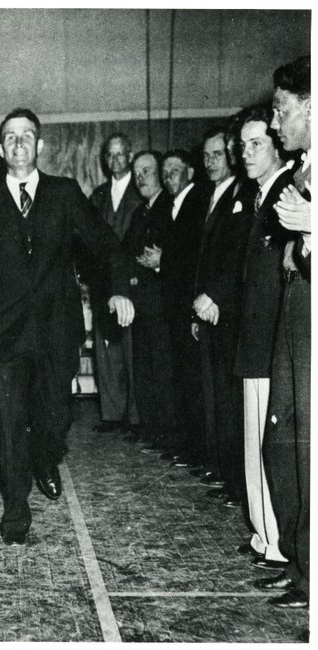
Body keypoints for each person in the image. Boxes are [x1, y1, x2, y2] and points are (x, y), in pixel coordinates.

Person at [0, 108, 134, 546]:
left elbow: (104, 244)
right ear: (0, 150)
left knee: (54, 415)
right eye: (10, 138)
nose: (18, 144)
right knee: (9, 422)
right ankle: (16, 509)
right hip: (5, 335)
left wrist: (117, 288)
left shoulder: (65, 194)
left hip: (57, 329)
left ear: (40, 145)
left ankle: (46, 453)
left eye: (26, 136)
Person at [257, 55, 311, 610]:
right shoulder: (302, 172)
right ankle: (301, 566)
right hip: (296, 317)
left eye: (282, 110)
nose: (277, 124)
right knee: (285, 440)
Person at [232, 106, 292, 578]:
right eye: (243, 145)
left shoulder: (284, 194)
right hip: (254, 343)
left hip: (272, 341)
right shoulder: (258, 196)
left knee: (271, 444)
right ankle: (264, 535)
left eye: (257, 144)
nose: (245, 153)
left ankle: (277, 543)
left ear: (276, 146)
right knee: (255, 442)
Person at [190, 128, 250, 509]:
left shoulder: (241, 194)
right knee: (216, 398)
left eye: (219, 154)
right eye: (207, 155)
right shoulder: (209, 197)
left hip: (227, 312)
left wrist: (215, 297)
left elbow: (235, 255)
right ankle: (224, 471)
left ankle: (235, 480)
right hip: (207, 312)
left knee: (232, 401)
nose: (212, 161)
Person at [141, 150, 210, 470]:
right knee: (180, 379)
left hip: (189, 306)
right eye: (165, 172)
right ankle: (186, 447)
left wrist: (162, 261)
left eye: (174, 171)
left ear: (190, 173)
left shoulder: (197, 201)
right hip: (175, 306)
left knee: (191, 381)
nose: (168, 177)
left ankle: (196, 451)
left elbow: (192, 254)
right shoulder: (172, 205)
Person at [88, 134, 143, 433]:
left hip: (133, 283)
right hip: (103, 284)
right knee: (106, 348)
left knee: (132, 349)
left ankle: (135, 416)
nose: (115, 161)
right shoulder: (97, 197)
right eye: (110, 155)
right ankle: (111, 413)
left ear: (130, 155)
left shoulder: (142, 191)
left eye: (120, 154)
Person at [122, 151, 176, 452]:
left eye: (147, 171)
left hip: (161, 305)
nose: (141, 178)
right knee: (144, 370)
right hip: (142, 305)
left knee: (162, 372)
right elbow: (128, 252)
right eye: (137, 173)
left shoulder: (169, 207)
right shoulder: (140, 212)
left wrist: (160, 261)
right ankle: (151, 429)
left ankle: (167, 434)